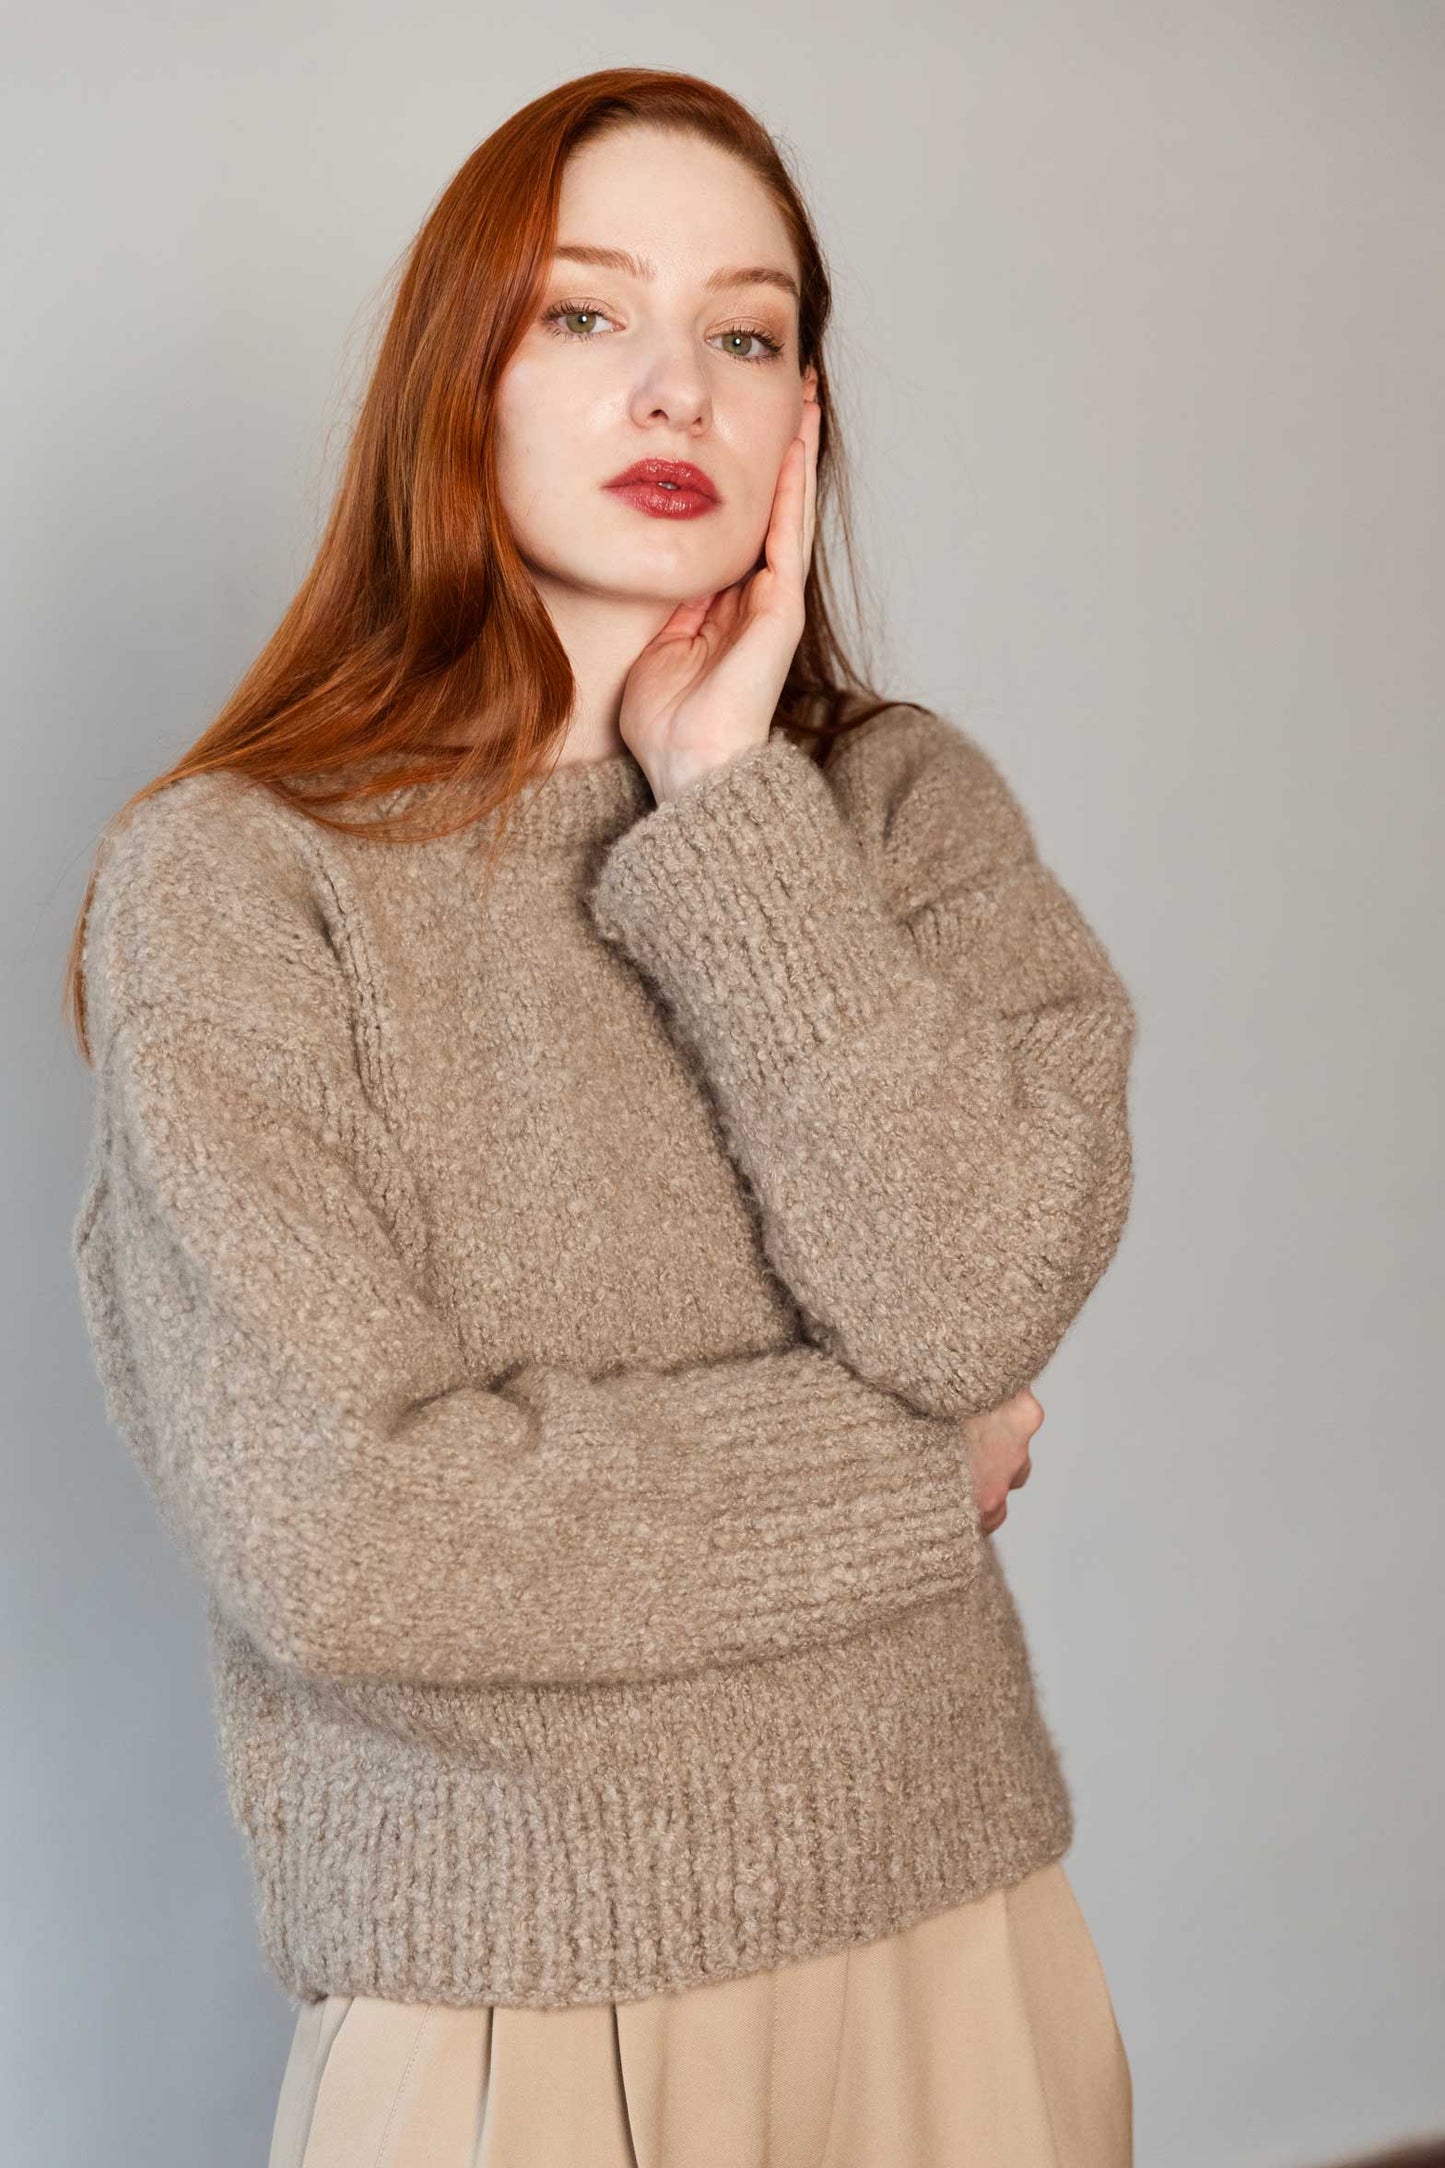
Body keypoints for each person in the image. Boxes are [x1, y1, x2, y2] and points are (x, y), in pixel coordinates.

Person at [67, 65, 1138, 2168]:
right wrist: (917, 1468)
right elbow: (355, 1540)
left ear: (802, 415)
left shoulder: (898, 809)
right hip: (510, 2036)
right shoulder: (235, 878)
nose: (679, 390)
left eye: (746, 333)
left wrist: (731, 808)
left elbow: (981, 1279)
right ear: (453, 378)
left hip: (964, 1965)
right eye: (585, 314)